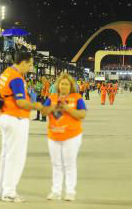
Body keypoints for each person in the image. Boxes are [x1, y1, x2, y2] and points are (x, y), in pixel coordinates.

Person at [0, 51, 43, 203]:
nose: (30, 68)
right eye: (30, 64)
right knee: (16, 157)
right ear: (22, 62)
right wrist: (36, 106)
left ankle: (2, 191)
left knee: (6, 156)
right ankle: (9, 192)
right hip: (15, 118)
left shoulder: (6, 73)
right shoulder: (16, 78)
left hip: (6, 116)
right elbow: (21, 102)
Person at [41, 73, 87, 201]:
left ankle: (70, 191)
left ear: (71, 86)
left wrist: (67, 109)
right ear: (58, 85)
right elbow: (43, 111)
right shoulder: (52, 97)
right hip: (54, 135)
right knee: (56, 164)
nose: (64, 86)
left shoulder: (77, 98)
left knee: (69, 164)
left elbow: (82, 114)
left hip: (72, 136)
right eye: (62, 84)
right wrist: (52, 107)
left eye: (66, 84)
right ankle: (55, 191)